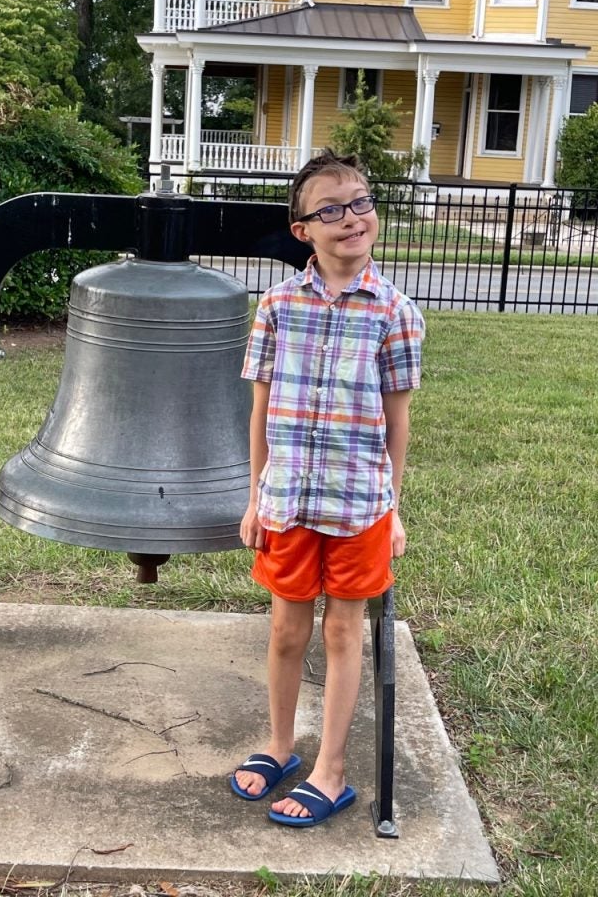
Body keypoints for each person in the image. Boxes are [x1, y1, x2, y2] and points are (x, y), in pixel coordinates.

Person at [230, 150, 424, 827]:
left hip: (358, 505)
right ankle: (280, 745)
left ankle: (331, 769)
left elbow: (397, 422)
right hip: (289, 500)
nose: (352, 219)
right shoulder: (277, 307)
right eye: (331, 210)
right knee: (287, 630)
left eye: (362, 203)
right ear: (301, 229)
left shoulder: (396, 313)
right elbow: (259, 410)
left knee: (344, 632)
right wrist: (256, 497)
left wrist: (392, 509)